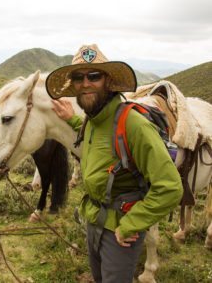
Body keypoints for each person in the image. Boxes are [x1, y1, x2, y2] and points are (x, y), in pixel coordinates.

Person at [45, 44, 183, 283]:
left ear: (107, 81)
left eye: (94, 76)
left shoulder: (133, 124)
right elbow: (98, 137)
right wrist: (73, 120)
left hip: (120, 230)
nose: (86, 82)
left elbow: (171, 187)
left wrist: (131, 224)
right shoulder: (92, 121)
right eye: (79, 77)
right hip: (93, 219)